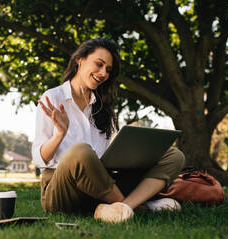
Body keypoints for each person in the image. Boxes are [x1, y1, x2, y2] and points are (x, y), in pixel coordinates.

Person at [32, 38, 185, 223]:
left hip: (100, 184)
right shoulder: (53, 97)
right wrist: (59, 135)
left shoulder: (102, 106)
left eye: (108, 69)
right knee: (81, 152)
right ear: (80, 59)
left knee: (174, 155)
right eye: (99, 64)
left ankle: (119, 209)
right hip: (62, 191)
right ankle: (137, 207)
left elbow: (104, 157)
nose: (103, 73)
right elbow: (39, 159)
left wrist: (125, 150)